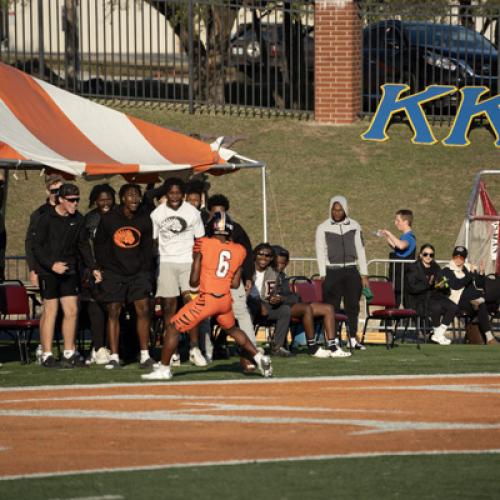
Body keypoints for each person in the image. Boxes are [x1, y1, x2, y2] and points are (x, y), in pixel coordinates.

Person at [142, 212, 272, 380]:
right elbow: (234, 284)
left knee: (173, 327)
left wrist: (197, 258)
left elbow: (194, 281)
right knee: (232, 329)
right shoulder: (239, 250)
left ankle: (164, 369)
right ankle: (259, 357)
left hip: (208, 299)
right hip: (225, 299)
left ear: (212, 227)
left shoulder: (203, 243)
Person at [33, 183, 99, 368]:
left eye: (77, 200)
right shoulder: (45, 218)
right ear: (61, 199)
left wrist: (93, 267)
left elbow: (83, 245)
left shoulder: (78, 219)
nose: (75, 203)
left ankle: (69, 353)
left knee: (71, 310)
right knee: (51, 311)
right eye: (71, 200)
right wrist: (51, 265)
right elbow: (36, 246)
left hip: (69, 271)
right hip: (49, 271)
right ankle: (46, 355)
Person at [93, 183, 154, 369]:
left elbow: (147, 248)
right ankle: (114, 356)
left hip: (138, 273)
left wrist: (144, 270)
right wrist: (105, 268)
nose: (134, 199)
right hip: (114, 273)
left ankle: (145, 355)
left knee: (143, 310)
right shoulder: (109, 219)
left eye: (137, 196)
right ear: (122, 199)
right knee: (114, 311)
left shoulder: (144, 219)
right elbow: (99, 245)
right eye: (130, 196)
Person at [149, 177, 207, 367]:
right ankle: (172, 350)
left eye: (177, 192)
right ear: (166, 193)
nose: (174, 196)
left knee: (191, 305)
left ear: (183, 194)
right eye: (171, 192)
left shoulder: (192, 212)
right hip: (166, 263)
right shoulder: (157, 214)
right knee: (168, 307)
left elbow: (200, 241)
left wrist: (197, 265)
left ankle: (194, 348)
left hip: (187, 263)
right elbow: (155, 240)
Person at [205, 194, 258, 360]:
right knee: (206, 314)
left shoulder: (236, 229)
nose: (218, 215)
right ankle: (206, 350)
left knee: (241, 311)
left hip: (234, 280)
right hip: (211, 281)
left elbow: (247, 254)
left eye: (222, 211)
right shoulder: (205, 229)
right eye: (215, 212)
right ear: (209, 212)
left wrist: (248, 276)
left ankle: (253, 349)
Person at [273, 245, 351, 357]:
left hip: (290, 303)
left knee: (328, 308)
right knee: (306, 308)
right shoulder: (269, 274)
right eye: (278, 263)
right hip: (281, 306)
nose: (281, 266)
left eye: (284, 263)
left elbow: (288, 295)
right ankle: (312, 347)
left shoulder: (282, 275)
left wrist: (293, 297)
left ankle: (333, 346)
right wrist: (290, 298)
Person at [315, 196, 369, 350]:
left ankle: (352, 338)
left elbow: (361, 250)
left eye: (340, 210)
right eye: (334, 209)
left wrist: (364, 273)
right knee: (332, 308)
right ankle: (334, 339)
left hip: (352, 271)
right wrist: (322, 274)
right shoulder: (323, 227)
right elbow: (320, 251)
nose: (337, 213)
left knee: (353, 306)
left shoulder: (355, 226)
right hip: (332, 272)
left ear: (345, 209)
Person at [82, 184, 116, 364]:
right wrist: (93, 267)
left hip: (116, 269)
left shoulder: (119, 215)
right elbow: (85, 245)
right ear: (95, 200)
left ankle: (113, 346)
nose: (105, 202)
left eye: (108, 198)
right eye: (101, 199)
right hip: (95, 269)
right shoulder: (90, 218)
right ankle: (98, 347)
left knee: (113, 308)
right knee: (95, 308)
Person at [439, 246, 497, 345]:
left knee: (483, 301)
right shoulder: (447, 269)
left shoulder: (467, 267)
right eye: (456, 256)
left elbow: (479, 284)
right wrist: (470, 274)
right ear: (452, 256)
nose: (458, 259)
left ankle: (489, 338)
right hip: (457, 302)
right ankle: (482, 299)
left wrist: (481, 273)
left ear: (464, 258)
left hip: (472, 301)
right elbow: (456, 285)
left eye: (461, 257)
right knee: (479, 298)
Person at [406, 243, 458, 345]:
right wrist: (427, 285)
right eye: (425, 254)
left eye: (431, 255)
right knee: (436, 307)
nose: (428, 257)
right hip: (419, 299)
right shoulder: (413, 268)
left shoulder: (436, 267)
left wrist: (444, 286)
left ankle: (437, 335)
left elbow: (443, 283)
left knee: (454, 307)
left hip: (436, 295)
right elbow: (412, 288)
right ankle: (438, 335)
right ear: (420, 255)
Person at [248, 243, 293, 357]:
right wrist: (258, 303)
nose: (264, 258)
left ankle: (277, 347)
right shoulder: (247, 269)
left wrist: (277, 298)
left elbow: (273, 294)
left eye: (267, 256)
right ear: (255, 255)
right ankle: (248, 346)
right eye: (261, 254)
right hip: (246, 304)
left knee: (285, 310)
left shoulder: (273, 273)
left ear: (271, 258)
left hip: (265, 305)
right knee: (252, 307)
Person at [25, 174, 65, 287]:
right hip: (45, 269)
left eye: (60, 190)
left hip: (68, 268)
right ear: (48, 192)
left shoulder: (71, 211)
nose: (57, 193)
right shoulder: (39, 214)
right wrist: (33, 270)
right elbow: (30, 243)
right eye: (54, 191)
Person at [378, 209, 416, 306]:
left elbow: (401, 246)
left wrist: (390, 233)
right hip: (397, 279)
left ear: (406, 222)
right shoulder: (404, 237)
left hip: (403, 280)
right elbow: (396, 246)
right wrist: (386, 236)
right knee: (391, 304)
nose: (395, 223)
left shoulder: (409, 237)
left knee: (403, 305)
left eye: (398, 220)